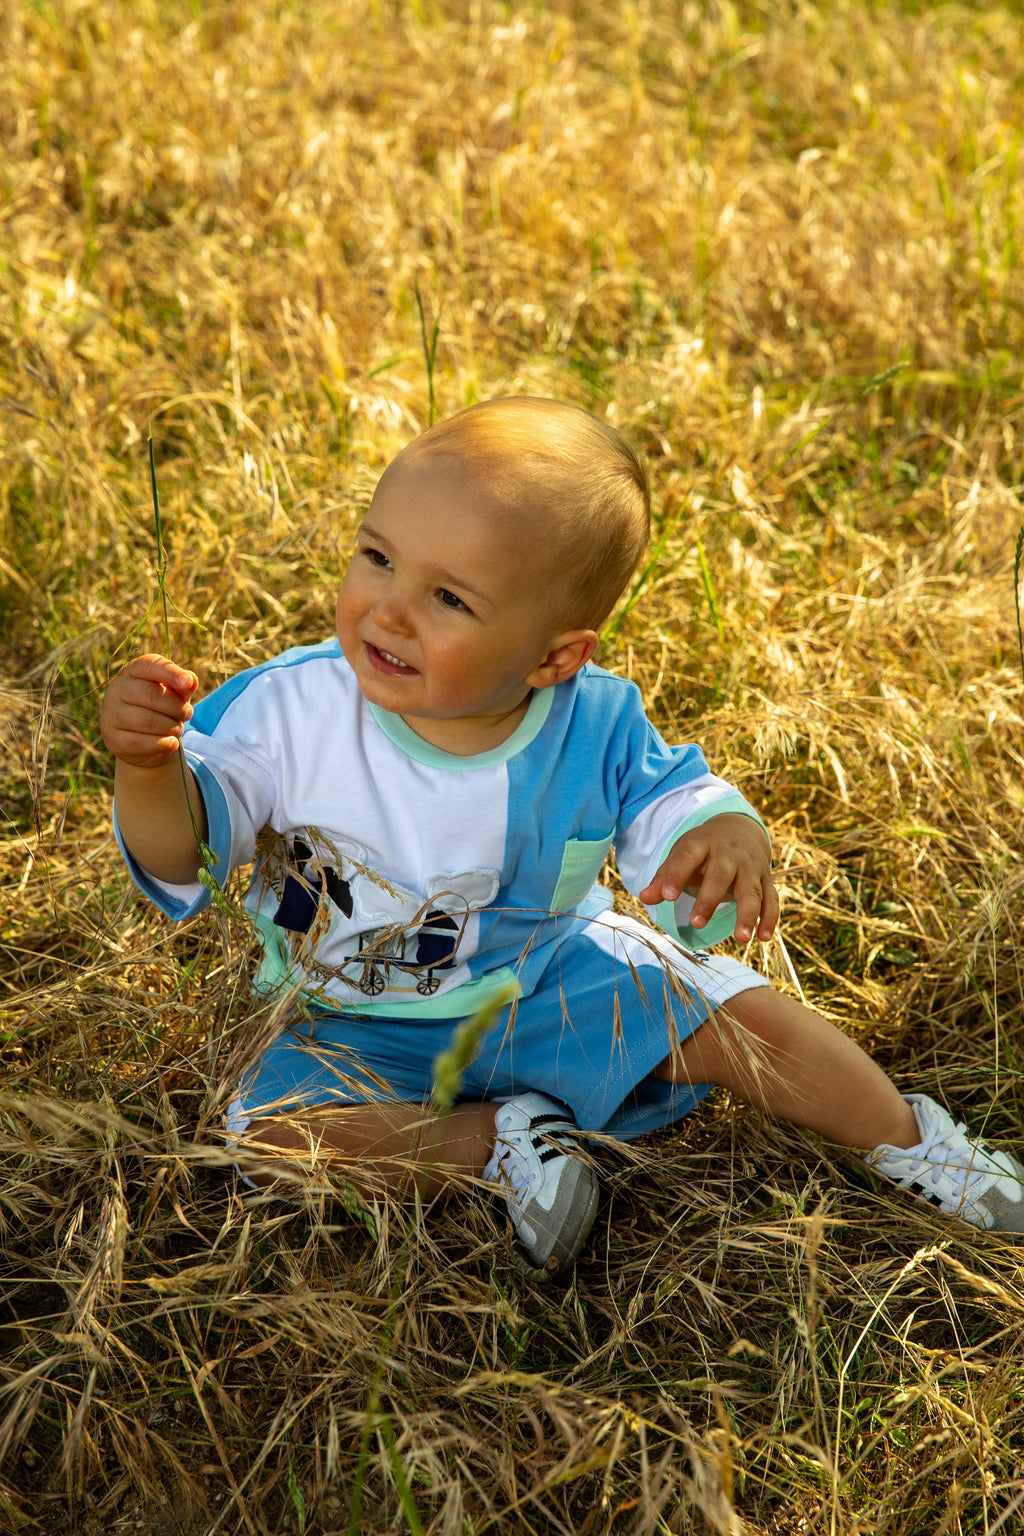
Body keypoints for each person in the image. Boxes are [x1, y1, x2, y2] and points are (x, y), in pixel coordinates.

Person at [100, 397, 1024, 1273]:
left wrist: (725, 835)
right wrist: (151, 769)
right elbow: (183, 846)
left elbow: (679, 801)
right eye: (377, 557)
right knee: (266, 1138)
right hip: (350, 1016)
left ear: (555, 655)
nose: (387, 610)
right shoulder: (288, 711)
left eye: (450, 599)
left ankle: (913, 1143)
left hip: (548, 975)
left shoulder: (596, 722)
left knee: (745, 1017)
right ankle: (499, 1140)